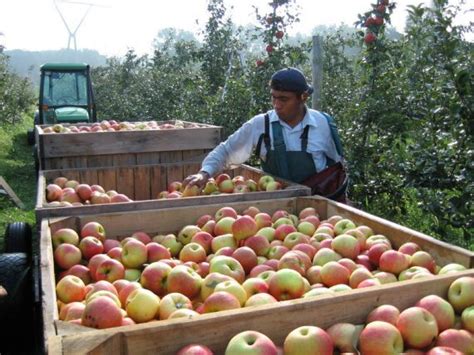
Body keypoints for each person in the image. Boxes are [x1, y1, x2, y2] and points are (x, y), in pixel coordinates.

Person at [183, 67, 347, 201]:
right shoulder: (261, 124)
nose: (276, 105)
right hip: (276, 209)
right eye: (273, 98)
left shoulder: (323, 123)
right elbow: (226, 151)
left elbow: (336, 167)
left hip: (317, 208)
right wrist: (204, 174)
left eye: (283, 99)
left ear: (303, 97)